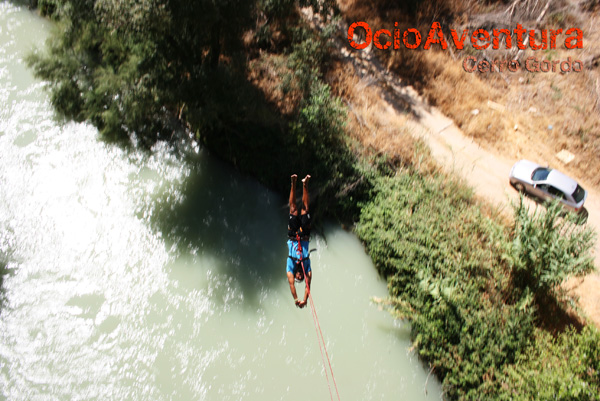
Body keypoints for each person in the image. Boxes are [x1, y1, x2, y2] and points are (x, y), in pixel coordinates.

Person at [286, 174, 312, 309]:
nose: (300, 276)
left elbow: (291, 284)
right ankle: (305, 184)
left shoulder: (290, 267)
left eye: (299, 277)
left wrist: (296, 299)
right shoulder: (307, 269)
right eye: (301, 277)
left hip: (292, 235)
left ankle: (293, 183)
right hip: (304, 236)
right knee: (305, 209)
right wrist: (305, 300)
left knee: (293, 209)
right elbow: (308, 286)